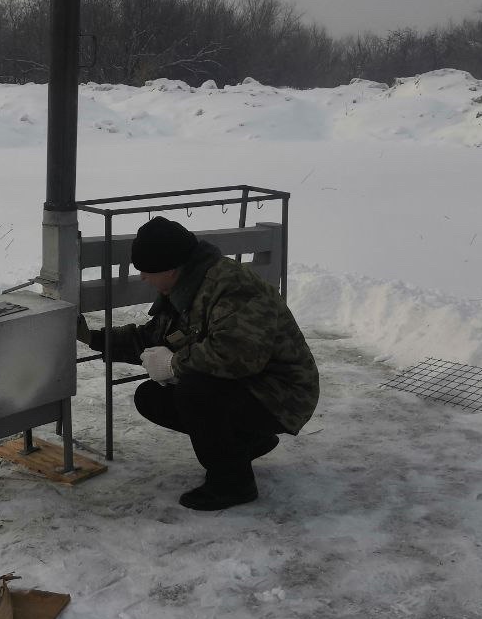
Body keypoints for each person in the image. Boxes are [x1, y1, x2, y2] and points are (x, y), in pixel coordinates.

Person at [78, 216, 318, 511]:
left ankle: (232, 483)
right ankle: (245, 443)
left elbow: (238, 356)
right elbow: (153, 337)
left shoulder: (233, 288)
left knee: (194, 390)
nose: (143, 278)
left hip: (283, 396)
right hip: (249, 387)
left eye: (147, 271)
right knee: (151, 397)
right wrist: (93, 338)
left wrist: (174, 364)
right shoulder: (186, 287)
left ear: (171, 267)